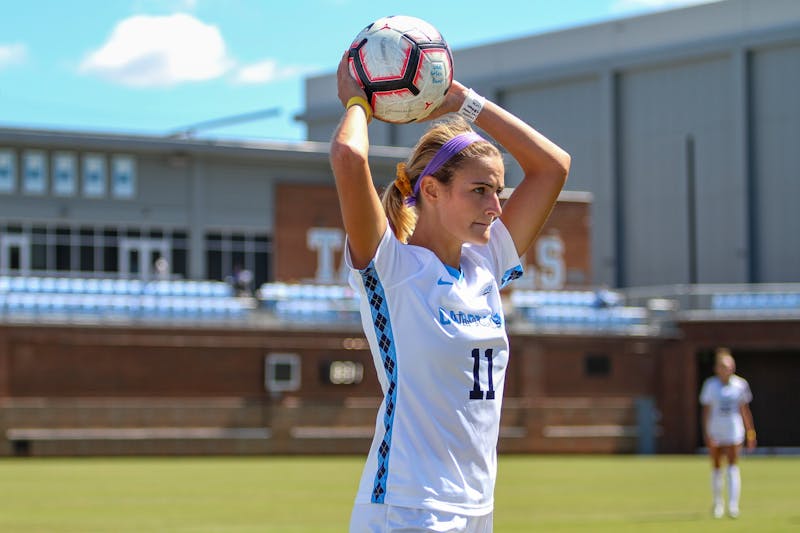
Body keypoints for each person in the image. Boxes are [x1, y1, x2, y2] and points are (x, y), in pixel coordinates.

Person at [330, 51, 570, 533]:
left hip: (477, 506)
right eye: (480, 190)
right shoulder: (394, 267)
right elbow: (349, 156)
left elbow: (553, 166)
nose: (497, 207)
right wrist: (358, 98)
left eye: (499, 191)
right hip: (408, 505)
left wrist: (464, 101)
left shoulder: (486, 265)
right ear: (433, 191)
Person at [699, 348, 756, 519]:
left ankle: (733, 505)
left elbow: (745, 410)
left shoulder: (740, 385)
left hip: (733, 430)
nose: (727, 369)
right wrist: (707, 433)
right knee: (717, 467)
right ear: (717, 368)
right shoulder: (710, 385)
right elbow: (706, 411)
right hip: (716, 430)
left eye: (729, 366)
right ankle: (718, 504)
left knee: (732, 465)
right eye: (723, 366)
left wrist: (750, 433)